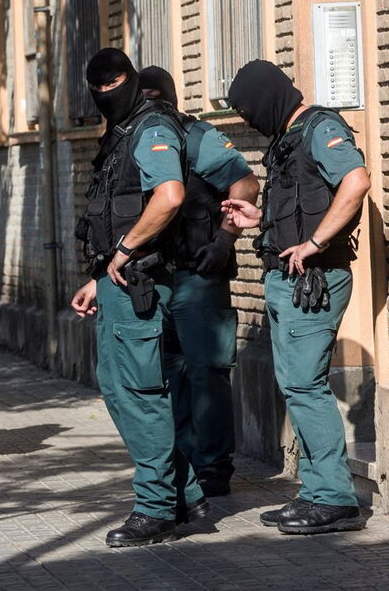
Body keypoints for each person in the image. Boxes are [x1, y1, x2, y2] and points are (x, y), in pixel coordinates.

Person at [222, 59, 371, 534]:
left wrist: (316, 242)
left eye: (248, 111)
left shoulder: (320, 127)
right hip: (288, 280)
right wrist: (257, 219)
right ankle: (315, 492)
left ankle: (335, 499)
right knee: (297, 388)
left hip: (315, 281)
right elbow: (299, 205)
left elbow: (357, 181)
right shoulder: (288, 137)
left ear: (268, 98)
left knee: (306, 386)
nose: (248, 122)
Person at [69, 48, 206, 547]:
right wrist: (100, 277)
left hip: (142, 282)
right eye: (97, 88)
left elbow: (169, 196)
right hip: (118, 283)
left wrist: (124, 252)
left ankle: (156, 509)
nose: (106, 95)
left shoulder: (152, 129)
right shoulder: (123, 133)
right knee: (117, 384)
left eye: (115, 84)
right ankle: (185, 491)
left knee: (141, 393)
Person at [137, 66, 259, 498]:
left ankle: (213, 468)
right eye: (142, 97)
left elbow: (246, 183)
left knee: (206, 372)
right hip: (155, 278)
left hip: (198, 273)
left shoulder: (196, 135)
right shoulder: (134, 139)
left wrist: (226, 239)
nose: (149, 106)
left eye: (156, 97)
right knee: (168, 374)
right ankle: (184, 464)